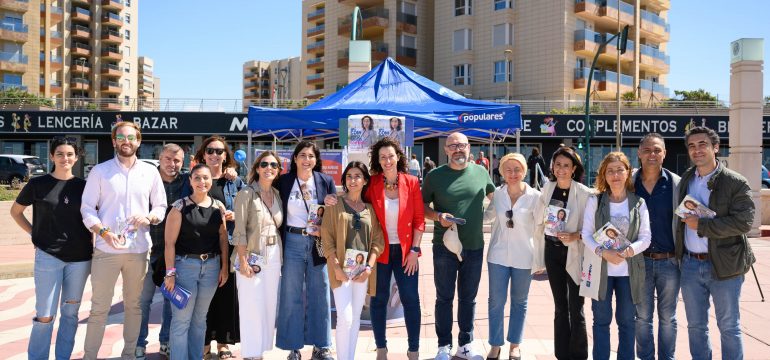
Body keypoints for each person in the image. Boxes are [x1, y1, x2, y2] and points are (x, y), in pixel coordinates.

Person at [80, 121, 167, 359]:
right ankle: (89, 356)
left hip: (137, 250)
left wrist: (149, 217)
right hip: (106, 250)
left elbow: (161, 206)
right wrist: (103, 232)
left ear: (138, 141)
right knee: (99, 309)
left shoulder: (150, 171)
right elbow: (87, 208)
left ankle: (129, 355)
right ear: (113, 141)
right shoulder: (100, 171)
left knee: (134, 306)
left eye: (131, 137)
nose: (126, 141)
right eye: (121, 137)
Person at [676, 126, 755, 360]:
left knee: (729, 326)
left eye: (702, 144)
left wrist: (702, 226)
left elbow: (744, 222)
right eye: (692, 146)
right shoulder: (687, 179)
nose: (697, 150)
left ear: (716, 148)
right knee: (695, 326)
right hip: (690, 264)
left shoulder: (735, 182)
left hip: (725, 266)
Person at [10, 137, 92, 360]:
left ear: (76, 157)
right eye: (60, 154)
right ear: (52, 156)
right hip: (48, 258)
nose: (65, 158)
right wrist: (34, 234)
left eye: (69, 154)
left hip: (80, 259)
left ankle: (63, 357)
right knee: (45, 315)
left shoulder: (85, 187)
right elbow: (16, 212)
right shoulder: (38, 184)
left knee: (70, 314)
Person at [422, 132, 495, 360]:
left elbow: (499, 199)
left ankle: (465, 345)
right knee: (444, 298)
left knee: (468, 298)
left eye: (462, 145)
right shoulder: (434, 176)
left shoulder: (481, 172)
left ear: (469, 148)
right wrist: (438, 216)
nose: (458, 150)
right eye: (452, 146)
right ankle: (443, 345)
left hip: (473, 246)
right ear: (445, 150)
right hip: (444, 246)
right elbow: (421, 208)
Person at [581, 152, 651, 360]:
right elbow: (586, 234)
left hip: (628, 272)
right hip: (602, 271)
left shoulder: (638, 203)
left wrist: (630, 250)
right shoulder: (596, 201)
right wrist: (604, 253)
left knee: (627, 322)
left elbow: (645, 237)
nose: (615, 175)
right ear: (604, 174)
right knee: (601, 321)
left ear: (628, 172)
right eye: (610, 170)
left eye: (620, 169)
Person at [275, 140, 337, 360]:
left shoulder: (325, 181)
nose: (306, 160)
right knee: (291, 294)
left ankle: (322, 346)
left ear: (316, 159)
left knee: (320, 292)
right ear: (294, 158)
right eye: (302, 155)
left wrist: (333, 202)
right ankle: (293, 347)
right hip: (291, 241)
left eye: (311, 156)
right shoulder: (283, 181)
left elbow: (334, 215)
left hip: (317, 243)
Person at [366, 137, 425, 360]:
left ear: (398, 157)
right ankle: (381, 349)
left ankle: (414, 350)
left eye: (390, 155)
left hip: (405, 252)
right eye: (382, 157)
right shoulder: (372, 184)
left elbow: (420, 219)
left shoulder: (411, 182)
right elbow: (356, 204)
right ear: (378, 161)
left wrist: (414, 251)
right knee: (378, 299)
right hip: (379, 251)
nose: (387, 160)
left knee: (411, 299)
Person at [164, 164, 230, 360]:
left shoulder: (219, 207)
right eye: (197, 178)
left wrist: (224, 267)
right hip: (185, 268)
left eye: (206, 178)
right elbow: (169, 244)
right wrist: (170, 273)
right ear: (190, 181)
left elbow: (223, 239)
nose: (202, 182)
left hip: (211, 267)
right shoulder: (179, 208)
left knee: (200, 320)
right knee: (181, 320)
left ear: (211, 180)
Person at [532, 146, 592, 360]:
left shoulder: (585, 194)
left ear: (574, 168)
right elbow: (537, 220)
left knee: (577, 308)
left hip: (575, 253)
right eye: (558, 165)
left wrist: (575, 235)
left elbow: (591, 229)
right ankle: (562, 354)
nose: (562, 169)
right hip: (552, 252)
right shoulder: (547, 189)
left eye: (566, 165)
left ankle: (579, 354)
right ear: (552, 167)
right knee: (560, 306)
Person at [321, 161, 384, 360]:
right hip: (339, 270)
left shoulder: (370, 209)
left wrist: (369, 267)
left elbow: (377, 240)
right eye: (349, 176)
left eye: (357, 176)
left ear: (365, 180)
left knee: (356, 318)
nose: (353, 180)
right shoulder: (334, 204)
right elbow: (326, 237)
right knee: (344, 318)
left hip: (363, 271)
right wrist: (336, 267)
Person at [188, 136, 244, 359]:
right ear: (203, 154)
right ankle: (203, 343)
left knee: (226, 296)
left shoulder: (234, 181)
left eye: (219, 151)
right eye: (210, 150)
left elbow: (247, 208)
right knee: (203, 297)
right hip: (200, 245)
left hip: (227, 244)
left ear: (225, 156)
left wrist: (234, 215)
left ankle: (223, 343)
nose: (214, 155)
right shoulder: (194, 179)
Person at [483, 153, 541, 360]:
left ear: (524, 171)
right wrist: (467, 213)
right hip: (497, 256)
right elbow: (488, 216)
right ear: (502, 172)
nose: (513, 173)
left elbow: (541, 228)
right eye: (508, 169)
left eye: (517, 169)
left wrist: (542, 259)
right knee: (495, 301)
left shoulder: (535, 197)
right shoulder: (498, 195)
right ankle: (495, 344)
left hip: (524, 256)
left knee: (519, 301)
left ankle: (515, 345)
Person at [632, 133, 681, 360]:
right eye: (648, 150)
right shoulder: (628, 183)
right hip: (640, 262)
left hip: (670, 261)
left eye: (657, 150)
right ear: (639, 153)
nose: (652, 154)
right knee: (642, 317)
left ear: (664, 154)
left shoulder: (678, 184)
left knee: (668, 317)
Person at [137, 143, 188, 359]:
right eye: (168, 159)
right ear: (160, 158)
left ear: (182, 163)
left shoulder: (187, 181)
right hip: (146, 249)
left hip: (172, 253)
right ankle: (139, 343)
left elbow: (209, 181)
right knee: (142, 301)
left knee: (170, 301)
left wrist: (229, 172)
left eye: (177, 160)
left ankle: (166, 342)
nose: (172, 164)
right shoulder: (146, 179)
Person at [232, 150, 284, 360]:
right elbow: (239, 231)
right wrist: (243, 260)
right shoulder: (246, 193)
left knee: (268, 304)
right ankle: (251, 354)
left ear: (278, 170)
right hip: (251, 253)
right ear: (257, 168)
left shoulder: (277, 194)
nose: (268, 168)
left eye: (273, 165)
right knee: (250, 305)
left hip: (273, 255)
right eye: (264, 164)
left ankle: (260, 351)